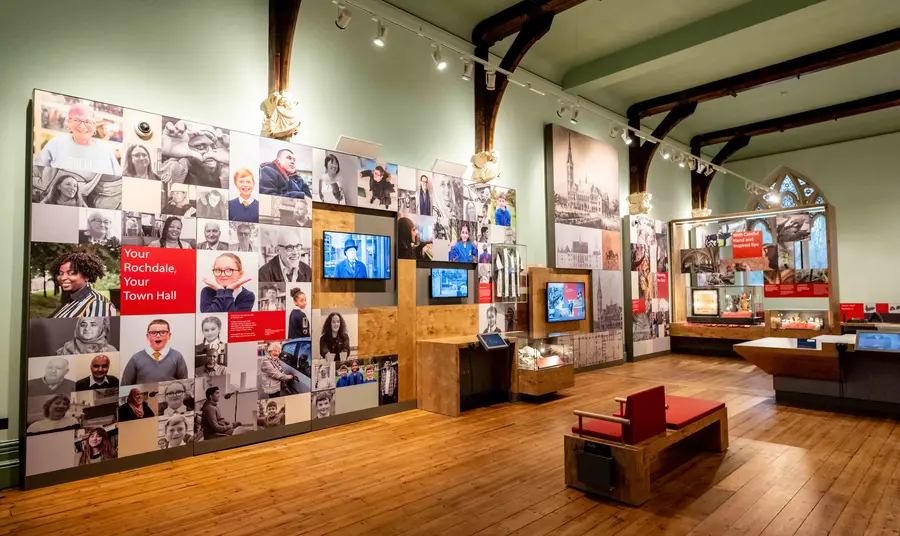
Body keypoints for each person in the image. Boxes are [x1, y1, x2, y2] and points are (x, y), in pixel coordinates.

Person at [34, 103, 121, 175]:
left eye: (88, 122)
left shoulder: (106, 151)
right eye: (76, 120)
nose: (82, 126)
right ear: (69, 122)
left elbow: (117, 184)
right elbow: (36, 173)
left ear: (94, 126)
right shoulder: (55, 144)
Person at [48, 249, 118, 318]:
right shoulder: (70, 299)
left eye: (72, 273)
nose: (63, 278)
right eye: (61, 273)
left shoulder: (98, 304)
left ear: (86, 276)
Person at [160, 121, 228, 188]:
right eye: (200, 147)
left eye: (213, 147)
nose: (210, 153)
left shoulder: (227, 171)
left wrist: (234, 159)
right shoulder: (174, 169)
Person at [121, 319, 188, 384]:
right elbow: (125, 387)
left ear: (169, 335)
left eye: (163, 332)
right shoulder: (136, 359)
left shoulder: (177, 357)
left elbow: (185, 385)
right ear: (148, 336)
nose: (158, 336)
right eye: (153, 333)